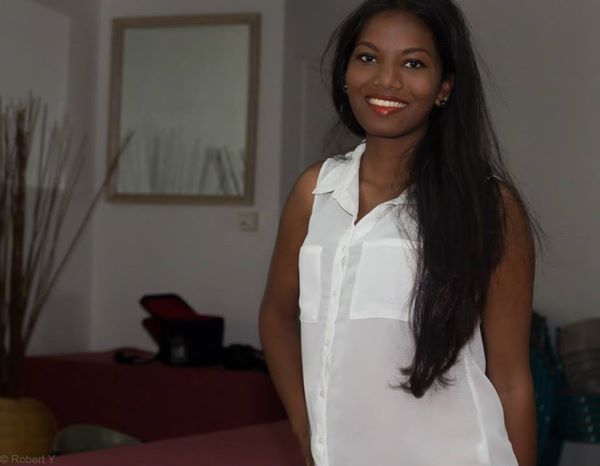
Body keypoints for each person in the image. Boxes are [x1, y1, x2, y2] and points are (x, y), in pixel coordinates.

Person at [258, 1, 540, 465]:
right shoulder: (316, 192)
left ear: (444, 87)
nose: (386, 80)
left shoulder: (489, 207)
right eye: (368, 57)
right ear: (345, 74)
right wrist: (306, 428)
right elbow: (276, 316)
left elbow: (511, 381)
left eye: (413, 64)